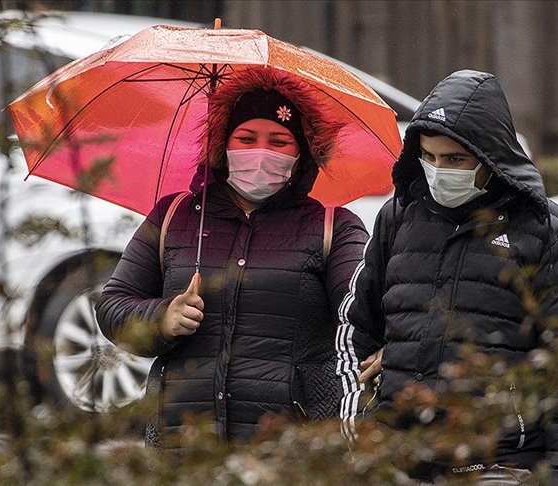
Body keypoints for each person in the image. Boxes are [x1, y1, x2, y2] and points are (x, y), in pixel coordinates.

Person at [335, 70, 558, 485]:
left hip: (504, 468)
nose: (440, 171)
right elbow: (354, 334)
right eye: (430, 157)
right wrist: (360, 446)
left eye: (456, 159)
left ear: (491, 155)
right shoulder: (397, 217)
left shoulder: (553, 234)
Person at [94, 66, 369, 445]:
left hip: (293, 450)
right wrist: (162, 317)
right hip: (183, 444)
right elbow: (112, 307)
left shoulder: (332, 228)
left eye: (279, 142)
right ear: (222, 146)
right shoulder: (173, 218)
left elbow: (364, 315)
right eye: (246, 137)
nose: (260, 152)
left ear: (301, 154)